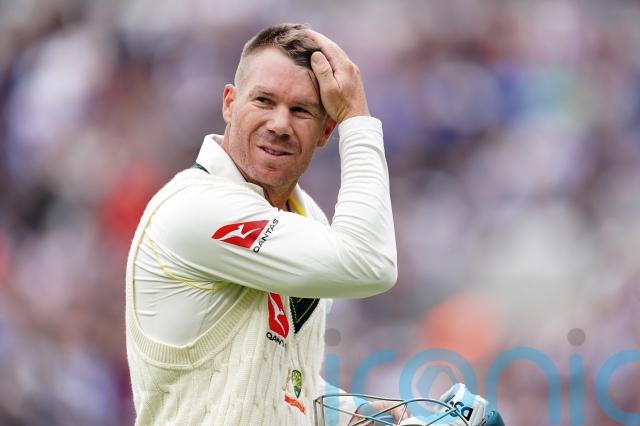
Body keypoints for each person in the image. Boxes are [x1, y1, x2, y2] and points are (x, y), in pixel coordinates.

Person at [125, 23, 399, 425]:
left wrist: (369, 418)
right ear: (229, 103)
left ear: (325, 131)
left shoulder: (305, 216)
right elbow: (371, 263)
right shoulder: (196, 208)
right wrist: (357, 118)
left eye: (300, 110)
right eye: (264, 101)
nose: (279, 124)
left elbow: (288, 384)